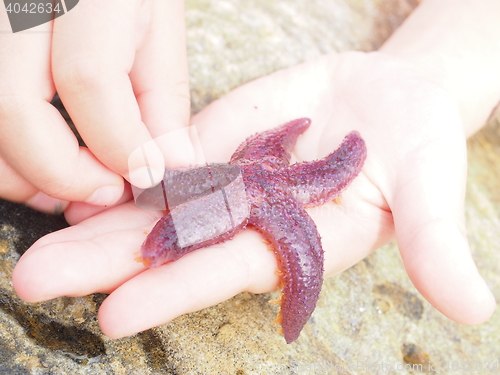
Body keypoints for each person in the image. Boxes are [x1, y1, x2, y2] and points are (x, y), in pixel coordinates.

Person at [2, 0, 499, 340]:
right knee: (149, 200)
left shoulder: (268, 176)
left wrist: (438, 67)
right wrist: (24, 10)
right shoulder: (264, 169)